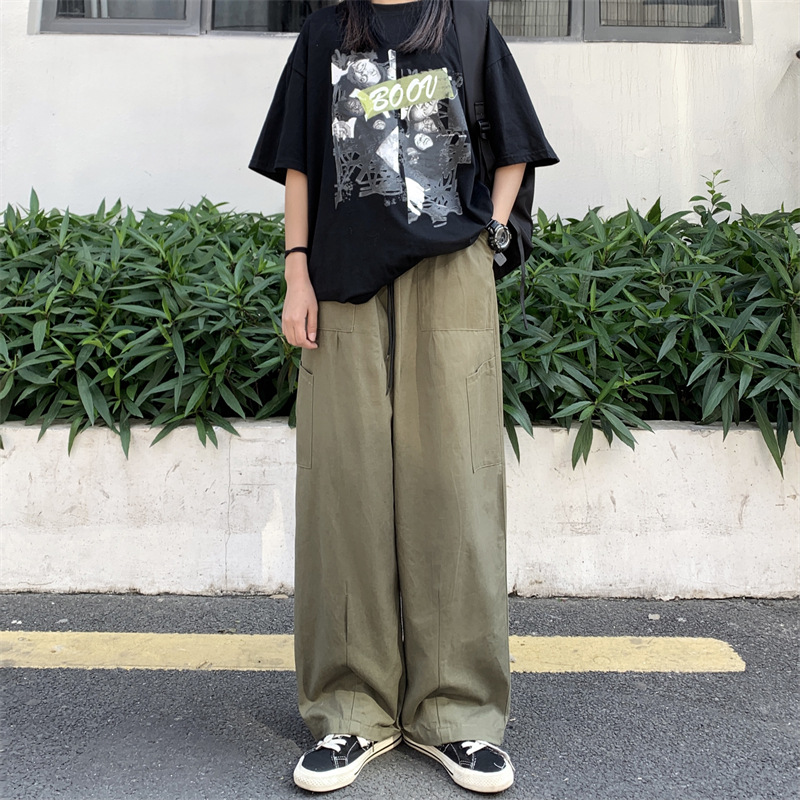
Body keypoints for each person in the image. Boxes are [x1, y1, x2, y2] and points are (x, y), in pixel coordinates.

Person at [249, 0, 558, 792]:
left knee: (453, 482)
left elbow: (514, 144)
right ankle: (350, 710)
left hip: (449, 274)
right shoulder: (325, 31)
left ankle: (459, 714)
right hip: (342, 279)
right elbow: (300, 161)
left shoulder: (467, 24)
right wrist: (296, 272)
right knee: (345, 487)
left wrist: (488, 235)